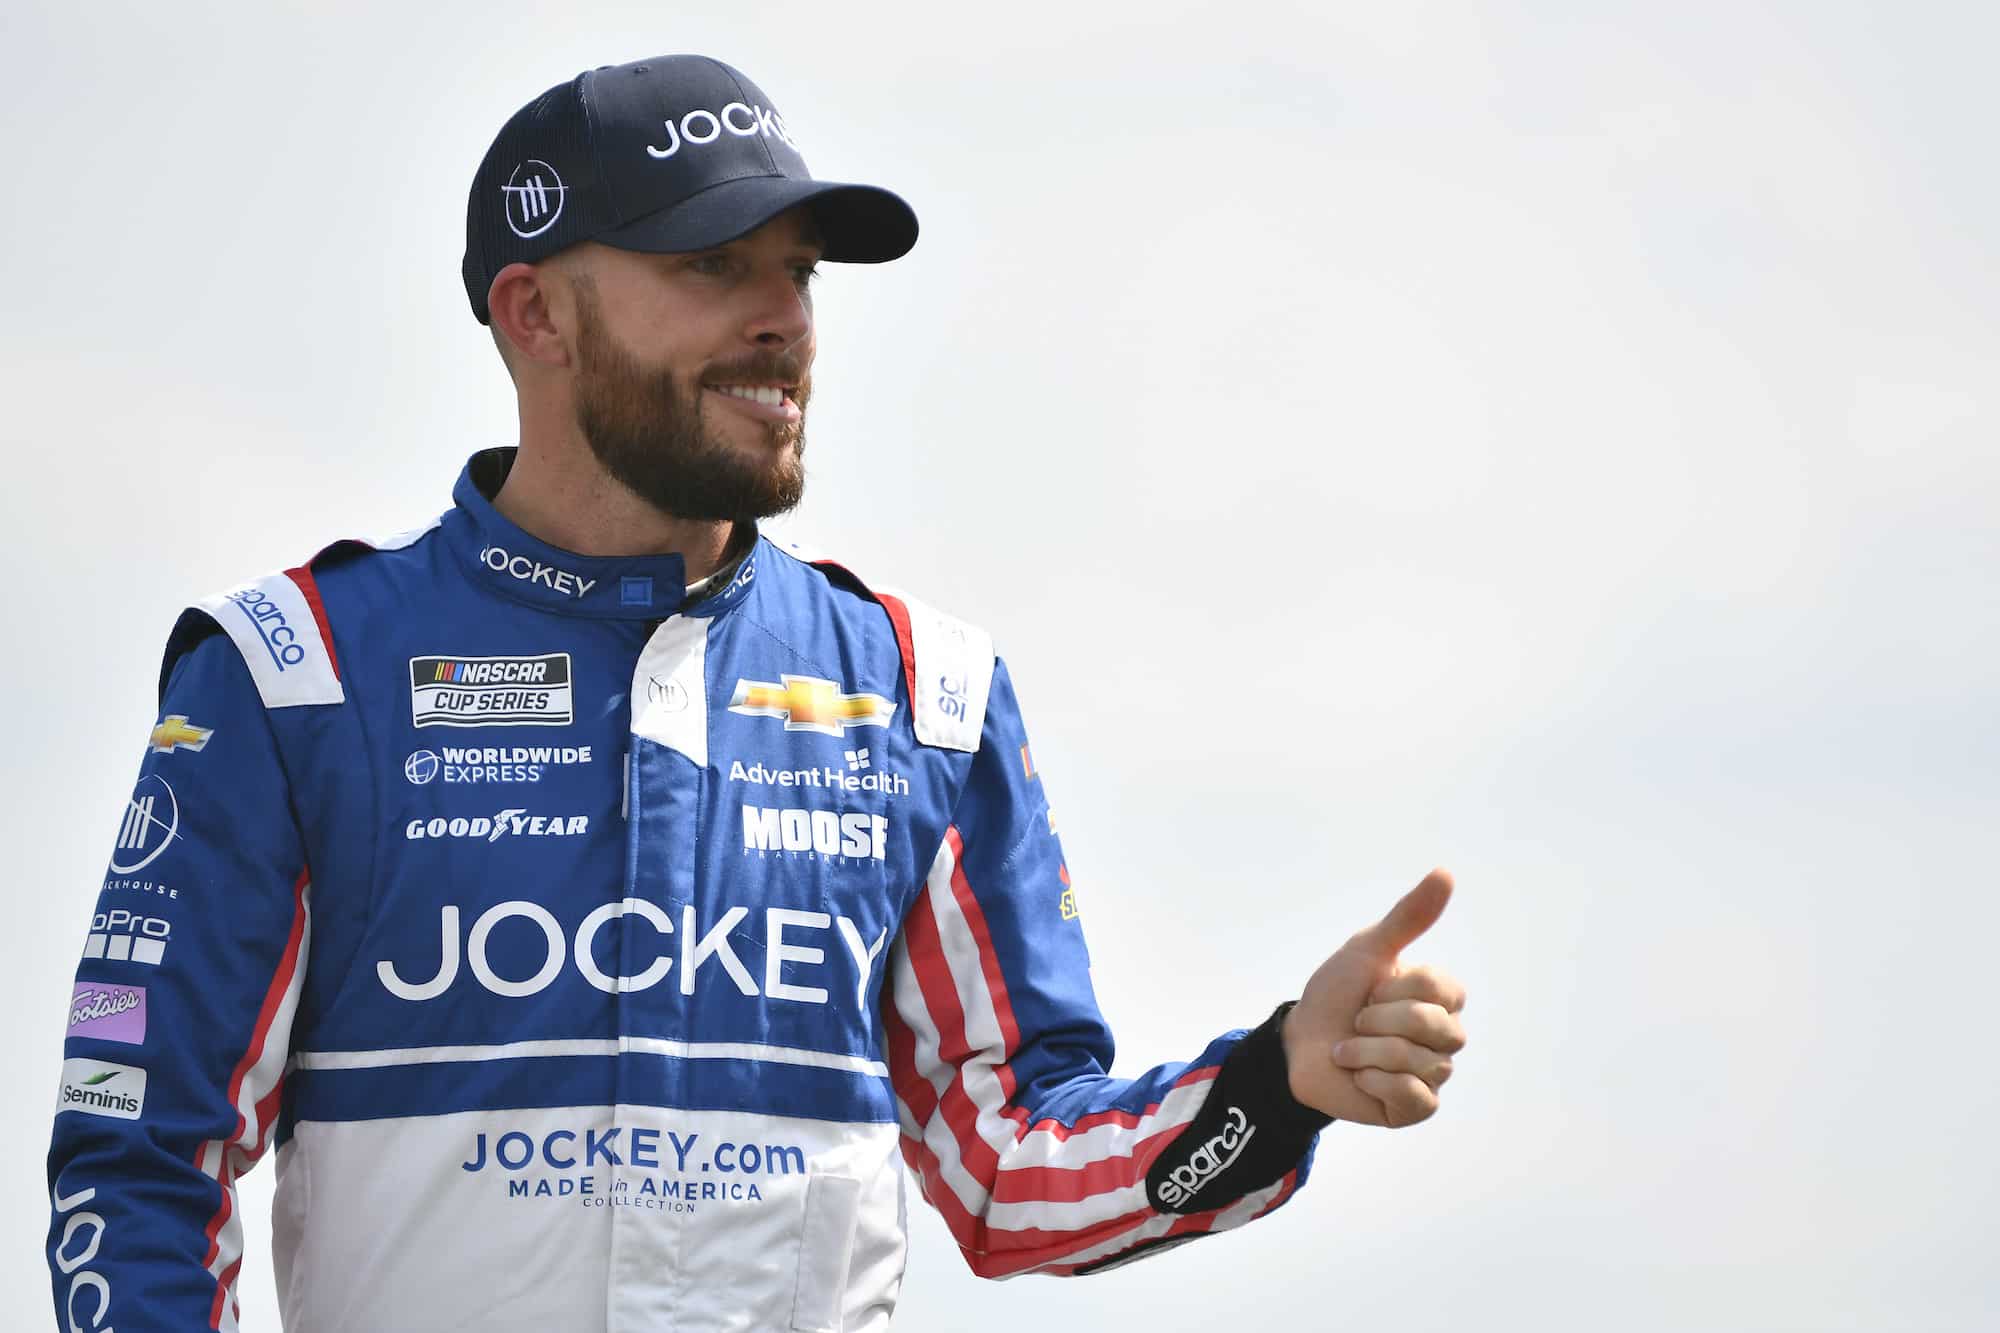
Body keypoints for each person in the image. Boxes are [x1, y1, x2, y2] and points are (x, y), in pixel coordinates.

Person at [46, 54, 1468, 1332]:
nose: (783, 317)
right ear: (534, 312)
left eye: (799, 272)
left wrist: (1275, 1084)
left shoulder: (926, 693)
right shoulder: (291, 675)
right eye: (717, 264)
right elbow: (137, 1161)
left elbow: (1011, 1163)